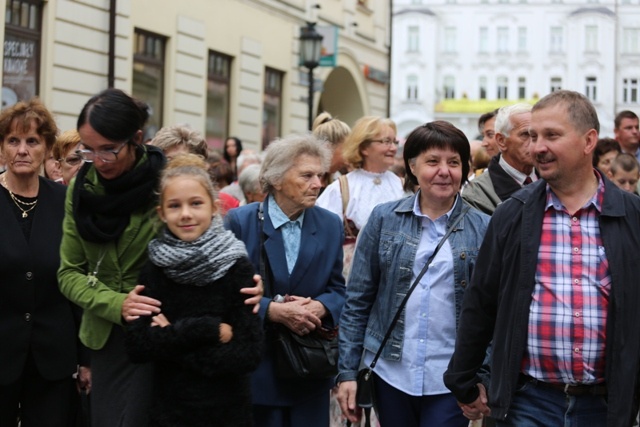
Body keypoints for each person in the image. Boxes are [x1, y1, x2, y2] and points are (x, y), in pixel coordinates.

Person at [58, 88, 263, 427]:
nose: (99, 160)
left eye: (110, 149)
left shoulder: (165, 182)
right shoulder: (82, 190)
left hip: (167, 328)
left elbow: (207, 240)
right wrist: (116, 303)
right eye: (88, 150)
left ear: (136, 138)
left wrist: (244, 282)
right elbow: (68, 273)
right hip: (111, 335)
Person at [444, 90, 640, 427]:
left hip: (607, 406)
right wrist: (463, 380)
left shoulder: (631, 216)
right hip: (528, 403)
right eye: (533, 136)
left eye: (552, 135)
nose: (537, 147)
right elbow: (482, 302)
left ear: (588, 141)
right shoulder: (512, 214)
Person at [336, 121, 489, 427]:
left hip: (452, 376)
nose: (444, 171)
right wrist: (347, 373)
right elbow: (357, 301)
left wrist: (484, 374)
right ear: (413, 166)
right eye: (433, 161)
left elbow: (493, 311)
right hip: (391, 372)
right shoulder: (384, 219)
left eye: (454, 162)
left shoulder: (484, 228)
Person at [125, 154, 263, 426]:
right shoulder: (155, 267)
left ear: (213, 207)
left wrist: (170, 336)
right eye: (175, 206)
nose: (186, 213)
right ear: (162, 213)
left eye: (196, 203)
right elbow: (138, 346)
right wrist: (207, 329)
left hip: (228, 411)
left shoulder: (237, 266)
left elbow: (248, 354)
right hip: (170, 411)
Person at [225, 133, 346, 427]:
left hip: (309, 371)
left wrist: (320, 306)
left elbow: (339, 290)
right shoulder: (240, 222)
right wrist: (274, 311)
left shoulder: (330, 225)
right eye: (306, 175)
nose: (318, 184)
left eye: (320, 175)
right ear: (276, 179)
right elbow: (224, 293)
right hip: (257, 369)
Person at [0, 98, 87, 426]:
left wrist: (86, 359)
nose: (22, 150)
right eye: (13, 140)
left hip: (53, 357)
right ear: (1, 148)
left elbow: (78, 279)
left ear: (47, 148)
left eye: (32, 141)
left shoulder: (65, 201)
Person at [316, 116, 404, 238]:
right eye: (386, 141)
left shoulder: (402, 186)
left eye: (395, 142)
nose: (394, 148)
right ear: (364, 148)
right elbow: (321, 233)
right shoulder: (341, 188)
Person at [463, 104, 536, 215]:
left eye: (536, 135)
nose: (535, 143)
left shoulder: (554, 181)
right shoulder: (477, 193)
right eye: (525, 134)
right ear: (501, 141)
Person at [151, 124, 239, 213]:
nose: (174, 167)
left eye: (182, 160)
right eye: (168, 160)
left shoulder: (227, 204)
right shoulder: (146, 202)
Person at [312, 111, 351, 187]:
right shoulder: (304, 184)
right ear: (327, 147)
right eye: (345, 150)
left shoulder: (335, 183)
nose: (347, 160)